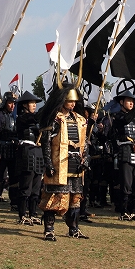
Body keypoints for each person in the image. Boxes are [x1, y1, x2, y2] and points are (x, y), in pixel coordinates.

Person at [38, 83, 89, 241]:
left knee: (75, 197)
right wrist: (48, 163)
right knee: (54, 196)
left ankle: (73, 228)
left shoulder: (80, 119)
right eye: (70, 101)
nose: (73, 104)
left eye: (74, 101)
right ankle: (49, 229)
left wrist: (85, 159)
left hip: (76, 164)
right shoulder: (55, 118)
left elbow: (84, 143)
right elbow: (46, 142)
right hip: (59, 163)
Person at [110, 84, 135, 222]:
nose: (131, 103)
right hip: (125, 150)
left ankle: (134, 210)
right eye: (129, 101)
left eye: (133, 101)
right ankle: (124, 210)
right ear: (121, 102)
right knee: (126, 184)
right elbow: (126, 120)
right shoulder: (117, 117)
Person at [15, 91, 43, 225]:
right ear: (25, 105)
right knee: (26, 186)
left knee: (36, 186)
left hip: (38, 151)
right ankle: (22, 215)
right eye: (32, 103)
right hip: (27, 151)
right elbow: (33, 118)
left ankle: (33, 214)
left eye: (35, 104)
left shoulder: (37, 121)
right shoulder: (21, 118)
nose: (34, 106)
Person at [0, 92, 18, 212]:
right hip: (1, 149)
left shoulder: (13, 117)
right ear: (5, 102)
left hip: (12, 150)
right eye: (10, 103)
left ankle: (14, 202)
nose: (12, 106)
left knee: (14, 177)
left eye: (14, 103)